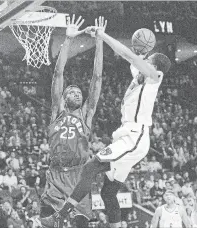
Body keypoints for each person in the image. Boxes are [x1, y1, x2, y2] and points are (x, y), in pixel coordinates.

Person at [41, 20, 171, 228]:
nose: (144, 59)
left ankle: (62, 214)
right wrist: (109, 41)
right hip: (128, 136)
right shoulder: (139, 76)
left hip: (135, 137)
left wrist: (103, 36)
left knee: (91, 166)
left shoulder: (155, 76)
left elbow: (129, 56)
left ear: (153, 65)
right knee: (108, 192)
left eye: (148, 58)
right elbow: (130, 56)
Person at [40, 15, 106, 227]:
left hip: (79, 175)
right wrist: (67, 40)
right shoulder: (57, 112)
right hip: (56, 173)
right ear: (63, 98)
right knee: (47, 222)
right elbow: (58, 73)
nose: (77, 94)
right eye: (72, 92)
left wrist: (99, 41)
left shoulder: (86, 113)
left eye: (79, 92)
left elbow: (97, 78)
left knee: (81, 224)